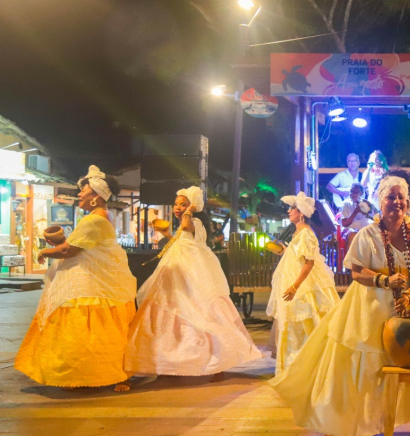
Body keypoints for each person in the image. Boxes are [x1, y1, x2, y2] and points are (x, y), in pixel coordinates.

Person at [270, 175, 410, 436]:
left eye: (401, 197)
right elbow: (354, 270)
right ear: (381, 201)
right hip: (368, 306)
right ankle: (339, 422)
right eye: (391, 197)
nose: (397, 202)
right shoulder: (367, 234)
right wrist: (383, 280)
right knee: (356, 365)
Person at [123, 187, 262, 386]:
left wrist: (190, 211)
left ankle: (217, 363)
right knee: (170, 312)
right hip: (176, 270)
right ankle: (168, 364)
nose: (178, 208)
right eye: (176, 204)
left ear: (193, 206)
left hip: (191, 271)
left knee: (198, 313)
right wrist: (166, 233)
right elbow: (179, 244)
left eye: (183, 204)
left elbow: (187, 229)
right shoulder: (184, 224)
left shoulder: (194, 221)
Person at [15, 166, 137, 389]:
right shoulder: (100, 216)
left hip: (92, 283)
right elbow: (77, 245)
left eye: (84, 191)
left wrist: (43, 251)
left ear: (96, 197)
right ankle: (103, 373)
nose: (79, 194)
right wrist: (61, 244)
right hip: (100, 281)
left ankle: (84, 374)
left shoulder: (93, 220)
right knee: (104, 330)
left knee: (84, 329)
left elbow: (68, 251)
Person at [267, 192, 339, 373]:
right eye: (290, 208)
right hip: (293, 280)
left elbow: (309, 263)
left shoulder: (306, 233)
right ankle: (294, 369)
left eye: (294, 209)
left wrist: (295, 286)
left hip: (302, 285)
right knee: (293, 323)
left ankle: (306, 367)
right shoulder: (298, 231)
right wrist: (283, 250)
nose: (289, 211)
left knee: (305, 319)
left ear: (302, 213)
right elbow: (296, 257)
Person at [338, 182, 372, 250]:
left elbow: (374, 218)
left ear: (361, 193)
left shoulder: (366, 204)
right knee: (354, 235)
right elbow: (344, 224)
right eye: (351, 191)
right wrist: (355, 211)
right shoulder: (346, 204)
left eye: (355, 192)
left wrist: (368, 211)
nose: (352, 194)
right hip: (351, 232)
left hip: (365, 231)